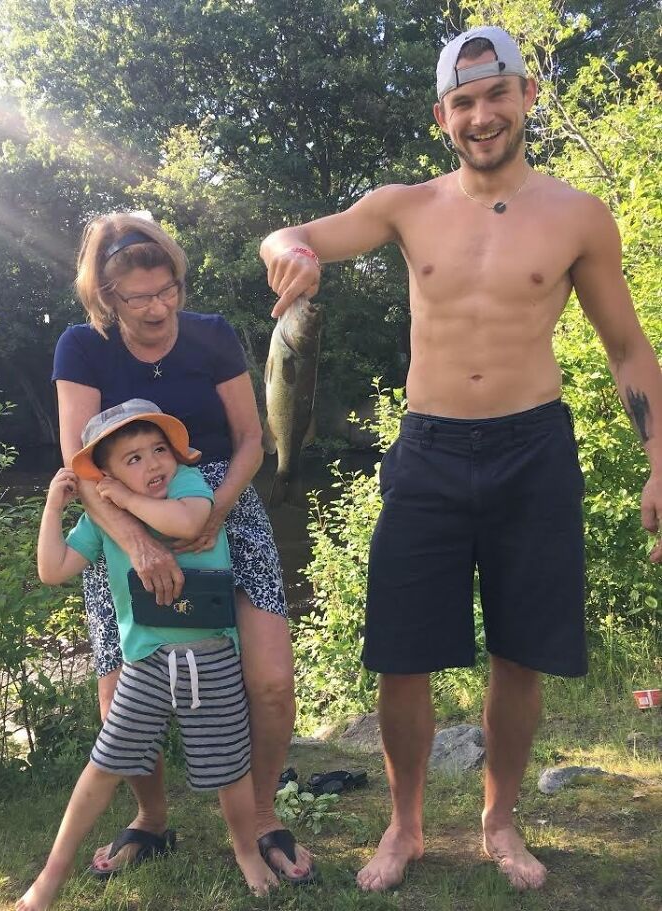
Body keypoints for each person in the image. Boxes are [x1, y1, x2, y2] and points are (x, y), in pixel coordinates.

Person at [260, 24, 662, 893]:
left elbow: (627, 348)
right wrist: (288, 253)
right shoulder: (404, 205)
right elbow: (293, 234)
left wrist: (659, 456)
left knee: (519, 652)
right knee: (401, 653)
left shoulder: (579, 215)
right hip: (429, 448)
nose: (482, 116)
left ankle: (499, 820)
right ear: (443, 115)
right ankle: (403, 826)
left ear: (526, 96)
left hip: (533, 447)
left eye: (496, 95)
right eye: (463, 102)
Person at [52, 213, 314, 883]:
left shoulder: (213, 335)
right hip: (120, 517)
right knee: (121, 703)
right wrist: (141, 541)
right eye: (139, 297)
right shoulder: (82, 347)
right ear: (108, 296)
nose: (159, 307)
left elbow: (252, 438)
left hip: (223, 500)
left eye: (168, 289)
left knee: (273, 680)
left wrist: (216, 514)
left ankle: (259, 817)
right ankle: (151, 818)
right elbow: (80, 464)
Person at [17, 400, 279, 910]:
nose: (152, 464)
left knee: (230, 768)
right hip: (146, 664)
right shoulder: (102, 524)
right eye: (132, 459)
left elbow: (186, 523)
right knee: (105, 762)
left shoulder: (189, 488)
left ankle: (246, 851)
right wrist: (55, 507)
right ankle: (51, 877)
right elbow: (52, 569)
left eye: (159, 450)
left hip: (213, 656)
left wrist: (123, 500)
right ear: (106, 474)